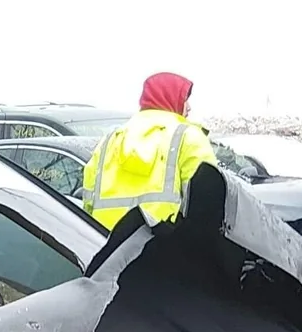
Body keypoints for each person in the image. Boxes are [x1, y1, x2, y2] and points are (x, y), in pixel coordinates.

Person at [80, 72, 219, 230]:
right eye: (185, 99)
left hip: (105, 241)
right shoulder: (189, 137)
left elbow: (88, 201)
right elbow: (209, 201)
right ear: (170, 98)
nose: (189, 107)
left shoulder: (110, 140)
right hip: (166, 243)